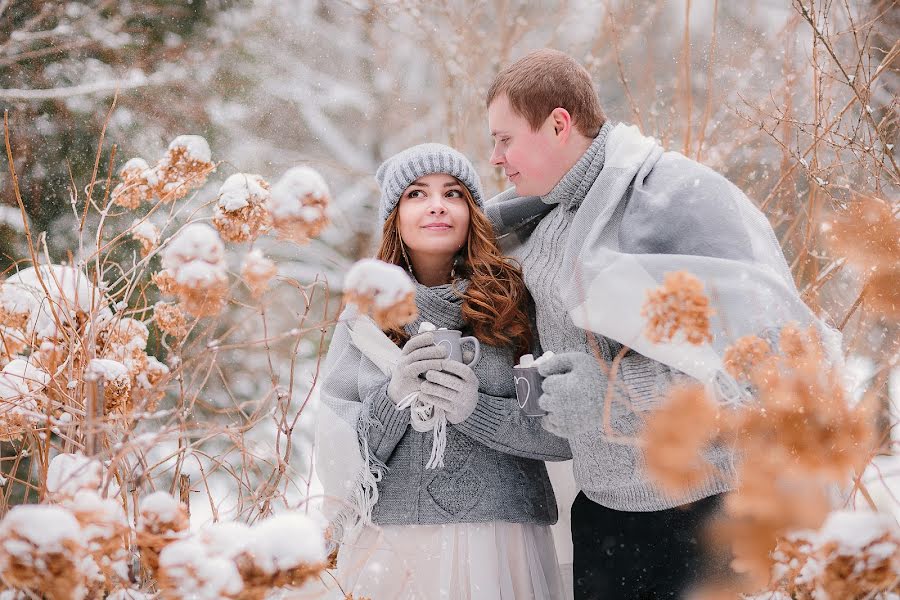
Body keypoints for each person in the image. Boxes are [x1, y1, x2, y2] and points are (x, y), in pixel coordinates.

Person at [484, 48, 834, 599]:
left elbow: (768, 369)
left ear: (558, 124)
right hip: (603, 516)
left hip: (703, 514)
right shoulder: (545, 222)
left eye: (505, 138)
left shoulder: (677, 201)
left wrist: (613, 393)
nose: (497, 158)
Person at [319, 143, 571, 599]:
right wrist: (394, 398)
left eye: (452, 192)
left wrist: (475, 411)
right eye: (416, 194)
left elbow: (560, 433)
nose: (436, 205)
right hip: (395, 550)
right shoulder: (365, 317)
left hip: (504, 542)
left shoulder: (514, 305)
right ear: (393, 217)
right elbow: (338, 457)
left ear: (472, 211)